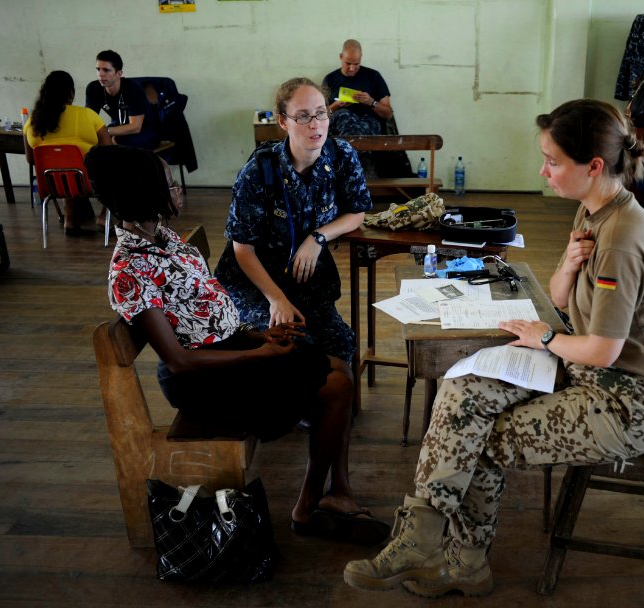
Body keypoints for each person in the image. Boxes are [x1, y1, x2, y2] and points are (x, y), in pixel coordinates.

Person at [343, 99, 644, 598]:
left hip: (627, 400)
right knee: (464, 386)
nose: (542, 170)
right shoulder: (596, 209)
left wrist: (544, 337)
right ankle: (420, 532)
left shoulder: (622, 238)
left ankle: (464, 562)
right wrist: (568, 266)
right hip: (588, 369)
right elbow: (563, 297)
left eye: (552, 161)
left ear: (593, 166)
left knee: (486, 439)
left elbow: (604, 351)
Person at [87, 144, 389, 545]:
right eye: (169, 183)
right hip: (201, 381)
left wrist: (260, 336)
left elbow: (208, 319)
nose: (177, 190)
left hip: (230, 353)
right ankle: (308, 506)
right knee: (336, 386)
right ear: (142, 191)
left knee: (339, 367)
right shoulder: (130, 268)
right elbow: (179, 361)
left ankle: (328, 496)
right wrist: (260, 353)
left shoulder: (164, 240)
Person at [215, 78, 371, 365]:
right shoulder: (258, 171)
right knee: (291, 348)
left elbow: (357, 211)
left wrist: (318, 237)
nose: (315, 124)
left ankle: (326, 408)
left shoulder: (341, 156)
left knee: (341, 346)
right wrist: (276, 298)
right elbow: (242, 249)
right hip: (256, 285)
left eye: (321, 112)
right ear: (283, 122)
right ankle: (290, 409)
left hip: (306, 283)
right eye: (302, 116)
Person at [23, 70, 113, 235]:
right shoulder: (87, 115)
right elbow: (109, 153)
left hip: (50, 185)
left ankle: (70, 221)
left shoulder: (31, 122)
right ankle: (104, 217)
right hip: (88, 184)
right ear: (71, 93)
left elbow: (31, 160)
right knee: (115, 170)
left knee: (64, 171)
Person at [85, 50, 159, 150]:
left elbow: (136, 127)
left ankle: (158, 163)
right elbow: (89, 121)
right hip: (117, 126)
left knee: (119, 142)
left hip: (144, 130)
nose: (100, 74)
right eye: (98, 69)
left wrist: (105, 132)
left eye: (106, 70)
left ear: (119, 73)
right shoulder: (93, 88)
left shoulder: (133, 88)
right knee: (91, 142)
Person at [322, 39, 393, 137]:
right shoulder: (330, 79)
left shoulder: (373, 76)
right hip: (341, 124)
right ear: (341, 57)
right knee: (344, 115)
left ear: (361, 58)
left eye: (356, 64)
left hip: (368, 125)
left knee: (363, 124)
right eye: (348, 63)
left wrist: (371, 102)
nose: (352, 68)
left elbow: (388, 114)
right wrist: (335, 106)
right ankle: (353, 149)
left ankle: (350, 150)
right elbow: (319, 115)